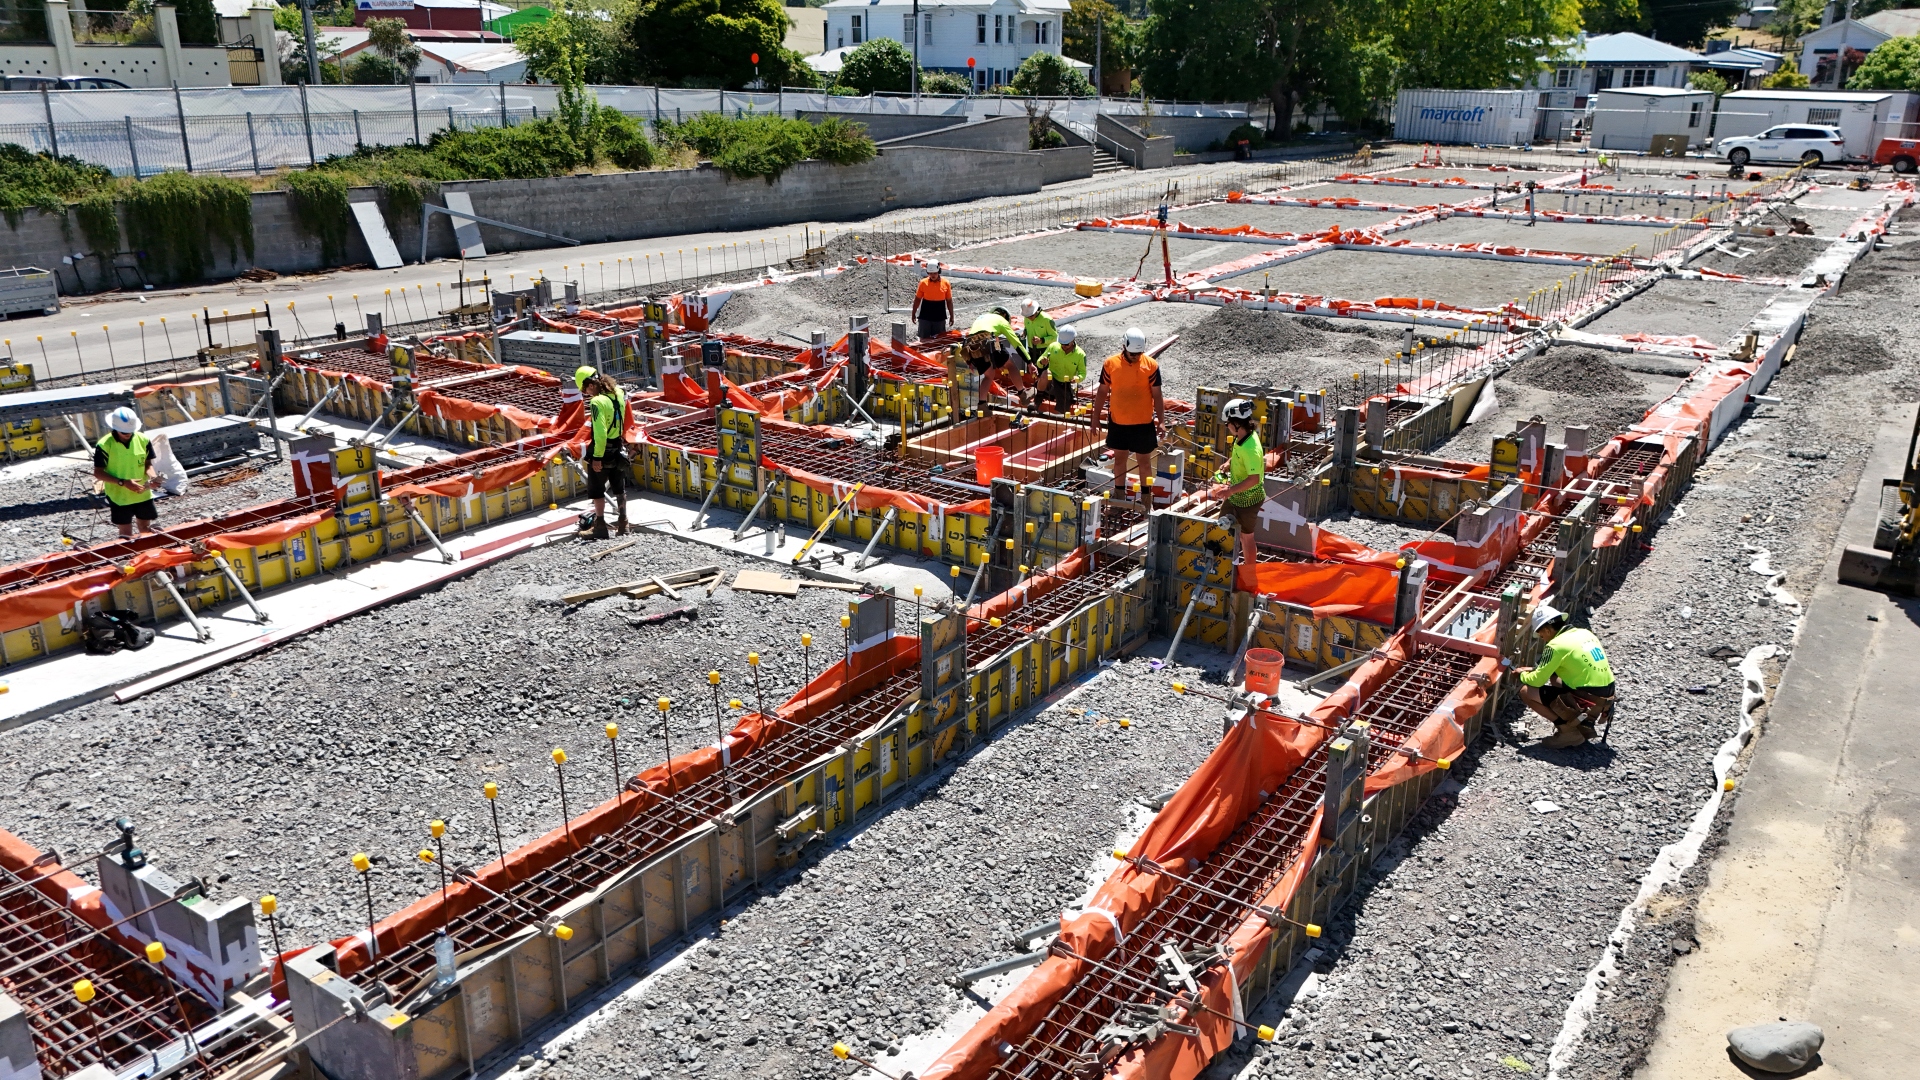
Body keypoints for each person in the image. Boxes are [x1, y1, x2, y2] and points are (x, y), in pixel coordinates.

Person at [1516, 603, 1616, 748]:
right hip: (1605, 698)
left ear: (1548, 630)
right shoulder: (1584, 633)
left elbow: (1537, 681)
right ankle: (1581, 722)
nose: (1542, 638)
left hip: (1588, 700)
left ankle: (1569, 731)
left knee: (1526, 691)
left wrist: (1521, 675)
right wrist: (1534, 669)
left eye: (1541, 634)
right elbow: (1572, 664)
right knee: (1554, 678)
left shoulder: (1555, 645)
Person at [1090, 327, 1166, 502]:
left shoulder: (1151, 365)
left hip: (1143, 423)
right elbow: (1102, 391)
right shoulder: (1111, 364)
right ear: (1124, 347)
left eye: (1138, 354)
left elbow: (1157, 394)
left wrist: (1161, 421)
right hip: (1119, 422)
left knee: (1145, 463)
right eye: (1132, 354)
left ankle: (1147, 499)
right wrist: (1095, 418)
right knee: (1119, 462)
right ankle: (1119, 495)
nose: (1136, 357)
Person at [1215, 397, 1266, 572]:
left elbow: (1254, 479)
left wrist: (1229, 491)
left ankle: (1249, 573)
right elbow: (1239, 454)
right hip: (1236, 495)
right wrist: (1229, 463)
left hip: (1249, 500)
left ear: (1237, 423)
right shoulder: (1243, 437)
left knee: (1246, 537)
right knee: (1223, 526)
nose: (1227, 426)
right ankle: (1230, 565)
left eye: (1228, 423)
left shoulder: (1251, 448)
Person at [94, 406, 158, 539]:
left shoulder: (143, 440)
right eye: (124, 432)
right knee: (125, 535)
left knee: (146, 530)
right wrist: (123, 482)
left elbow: (147, 464)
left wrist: (153, 477)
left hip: (143, 494)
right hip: (119, 497)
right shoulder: (104, 445)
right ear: (115, 428)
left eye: (130, 431)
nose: (128, 434)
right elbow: (98, 473)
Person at [581, 373, 629, 539]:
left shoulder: (597, 402)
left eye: (585, 388)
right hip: (618, 446)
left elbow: (600, 433)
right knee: (619, 487)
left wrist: (597, 457)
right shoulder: (618, 394)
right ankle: (623, 523)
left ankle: (600, 526)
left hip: (603, 448)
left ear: (592, 385)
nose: (586, 393)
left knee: (597, 489)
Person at [962, 309, 1032, 406]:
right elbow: (1016, 343)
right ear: (1005, 316)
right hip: (987, 340)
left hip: (971, 346)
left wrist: (998, 360)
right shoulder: (1002, 321)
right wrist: (1029, 362)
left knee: (988, 375)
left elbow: (981, 337)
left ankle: (982, 405)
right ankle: (1023, 394)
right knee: (1010, 365)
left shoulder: (982, 318)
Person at [1037, 325, 1087, 414]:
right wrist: (1042, 362)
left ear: (1073, 340)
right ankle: (1039, 397)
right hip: (1051, 381)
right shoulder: (1053, 347)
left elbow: (1082, 373)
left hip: (1065, 384)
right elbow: (1039, 362)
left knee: (1062, 409)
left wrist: (1077, 378)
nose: (1063, 346)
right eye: (1061, 344)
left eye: (1066, 344)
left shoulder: (1080, 355)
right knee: (1046, 373)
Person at [912, 263, 954, 341]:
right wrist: (913, 312)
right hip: (925, 316)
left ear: (939, 271)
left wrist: (952, 315)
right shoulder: (923, 283)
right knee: (924, 340)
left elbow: (949, 301)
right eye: (931, 273)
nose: (933, 275)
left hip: (939, 316)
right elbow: (917, 299)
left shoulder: (946, 283)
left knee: (939, 340)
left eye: (935, 273)